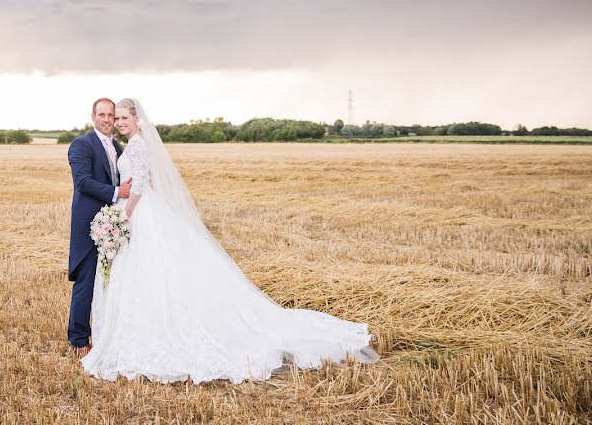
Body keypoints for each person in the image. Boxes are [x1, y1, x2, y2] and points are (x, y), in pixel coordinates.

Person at [81, 98, 380, 383]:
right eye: (115, 117)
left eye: (123, 117)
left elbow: (141, 186)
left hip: (138, 213)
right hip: (137, 212)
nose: (118, 122)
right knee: (143, 276)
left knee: (154, 274)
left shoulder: (137, 145)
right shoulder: (130, 144)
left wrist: (125, 216)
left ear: (136, 119)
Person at [66, 98, 132, 359]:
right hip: (89, 224)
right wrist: (118, 191)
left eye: (111, 115)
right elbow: (82, 182)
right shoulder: (81, 145)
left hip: (114, 224)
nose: (107, 120)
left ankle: (108, 334)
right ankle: (79, 340)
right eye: (102, 114)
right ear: (93, 117)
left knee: (113, 282)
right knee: (87, 281)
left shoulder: (117, 146)